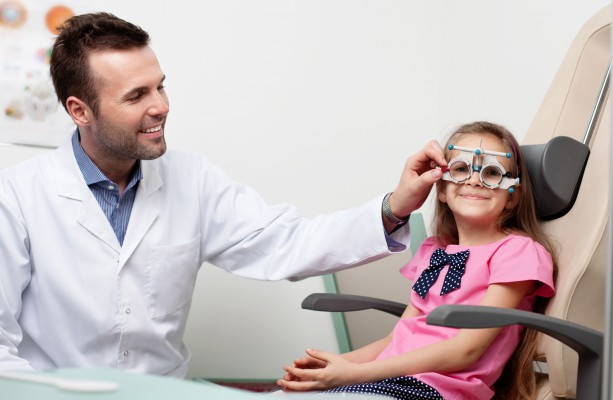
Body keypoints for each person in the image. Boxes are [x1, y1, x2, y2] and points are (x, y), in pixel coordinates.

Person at [0, 13, 447, 377]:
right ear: (80, 110)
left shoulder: (192, 180)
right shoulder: (18, 197)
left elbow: (287, 244)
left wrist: (395, 206)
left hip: (163, 392)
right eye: (136, 95)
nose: (161, 105)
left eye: (160, 85)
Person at [277, 121, 557, 400]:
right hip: (389, 379)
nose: (474, 180)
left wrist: (354, 374)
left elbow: (466, 350)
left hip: (434, 391)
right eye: (461, 169)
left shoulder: (518, 252)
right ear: (442, 190)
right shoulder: (434, 250)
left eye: (492, 173)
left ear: (512, 197)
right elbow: (395, 339)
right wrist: (334, 366)